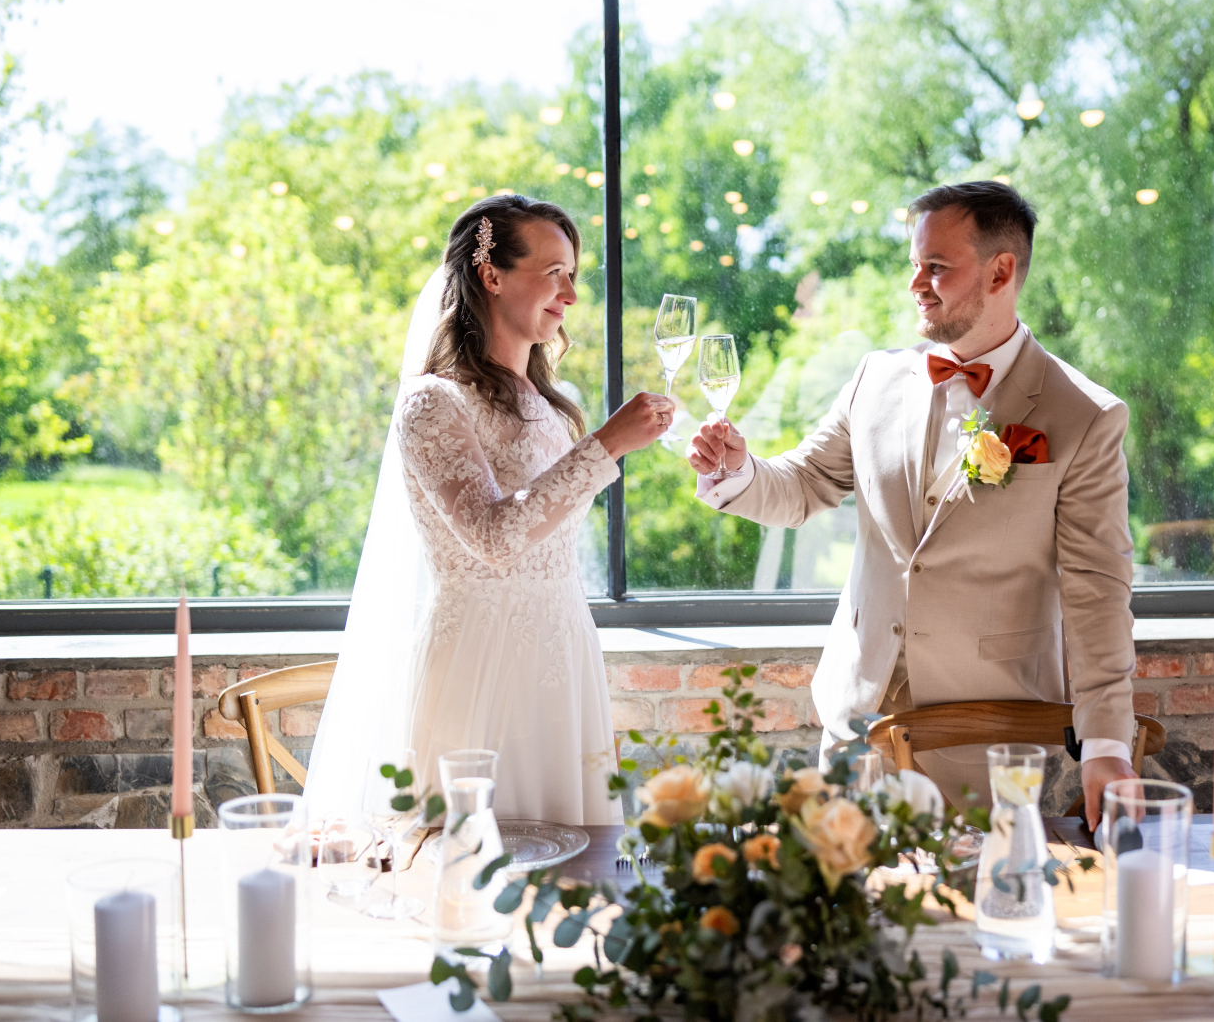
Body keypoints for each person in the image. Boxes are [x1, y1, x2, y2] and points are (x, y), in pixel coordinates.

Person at [687, 181, 1137, 827]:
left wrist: (1106, 745)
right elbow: (805, 484)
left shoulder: (1085, 415)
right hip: (857, 724)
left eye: (936, 267)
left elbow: (1098, 591)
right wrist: (738, 469)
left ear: (1001, 272)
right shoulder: (875, 378)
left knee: (976, 892)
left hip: (986, 735)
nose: (915, 284)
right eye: (914, 264)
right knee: (843, 889)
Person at [305, 195, 672, 824]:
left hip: (564, 653)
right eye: (553, 273)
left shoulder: (550, 407)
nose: (570, 295)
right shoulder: (432, 403)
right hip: (479, 664)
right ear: (491, 275)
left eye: (572, 275)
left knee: (576, 858)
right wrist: (608, 443)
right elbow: (492, 536)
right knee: (470, 857)